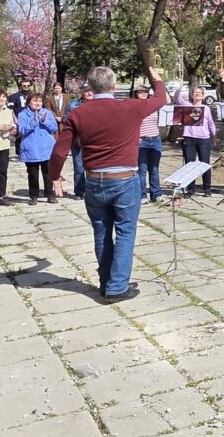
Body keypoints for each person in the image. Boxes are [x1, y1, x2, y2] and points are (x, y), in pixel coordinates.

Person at [49, 64, 167, 301]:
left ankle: (106, 282)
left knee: (101, 232)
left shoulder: (78, 113)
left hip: (94, 180)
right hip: (125, 180)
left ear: (90, 88)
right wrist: (156, 78)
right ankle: (117, 286)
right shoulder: (130, 107)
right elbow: (161, 98)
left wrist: (54, 176)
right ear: (114, 86)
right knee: (125, 232)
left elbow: (60, 151)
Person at [17, 92, 58, 204]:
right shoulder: (22, 114)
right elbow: (21, 131)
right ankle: (33, 196)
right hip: (31, 149)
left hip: (47, 148)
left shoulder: (47, 113)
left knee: (48, 173)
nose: (37, 103)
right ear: (29, 102)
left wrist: (45, 121)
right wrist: (33, 123)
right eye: (35, 101)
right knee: (33, 174)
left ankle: (50, 194)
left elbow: (54, 128)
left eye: (39, 101)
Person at [176, 85, 216, 197]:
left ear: (203, 96)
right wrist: (180, 87)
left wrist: (214, 136)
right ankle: (191, 189)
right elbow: (177, 98)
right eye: (195, 93)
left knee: (205, 164)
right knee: (189, 164)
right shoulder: (187, 106)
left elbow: (211, 124)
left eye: (200, 93)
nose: (197, 94)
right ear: (192, 95)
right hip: (189, 138)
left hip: (204, 139)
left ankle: (207, 189)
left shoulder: (206, 108)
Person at [64, 84, 94, 199]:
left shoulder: (99, 103)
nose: (89, 93)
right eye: (86, 91)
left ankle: (93, 190)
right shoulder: (73, 105)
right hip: (78, 141)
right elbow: (65, 119)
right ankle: (80, 191)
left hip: (95, 141)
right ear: (81, 92)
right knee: (79, 167)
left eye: (91, 90)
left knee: (95, 167)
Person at [134, 86, 163, 203]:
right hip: (142, 141)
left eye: (145, 92)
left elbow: (166, 99)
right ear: (136, 94)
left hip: (155, 140)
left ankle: (156, 194)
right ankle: (142, 196)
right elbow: (131, 124)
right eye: (140, 92)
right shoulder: (135, 106)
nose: (143, 94)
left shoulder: (153, 106)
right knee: (142, 170)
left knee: (154, 169)